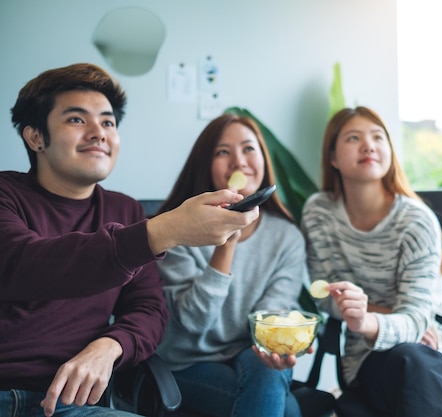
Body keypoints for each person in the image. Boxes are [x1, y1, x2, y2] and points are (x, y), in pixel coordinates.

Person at [0, 63, 258, 417]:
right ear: (35, 137)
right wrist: (165, 230)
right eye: (77, 120)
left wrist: (109, 344)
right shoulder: (6, 194)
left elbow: (149, 311)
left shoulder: (125, 209)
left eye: (108, 122)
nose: (98, 133)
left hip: (75, 404)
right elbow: (25, 264)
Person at [300, 106, 442, 417]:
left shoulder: (416, 221)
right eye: (354, 138)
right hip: (372, 354)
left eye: (378, 137)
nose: (369, 145)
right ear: (333, 158)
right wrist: (378, 316)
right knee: (410, 361)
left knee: (415, 362)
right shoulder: (319, 213)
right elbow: (325, 295)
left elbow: (420, 319)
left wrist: (367, 316)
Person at [154, 113, 308, 417]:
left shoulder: (286, 237)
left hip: (247, 355)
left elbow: (270, 321)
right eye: (223, 152)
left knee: (266, 368)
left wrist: (280, 345)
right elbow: (193, 323)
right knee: (287, 408)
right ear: (205, 164)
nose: (239, 162)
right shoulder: (177, 226)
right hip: (187, 363)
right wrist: (226, 244)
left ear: (263, 159)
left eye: (249, 149)